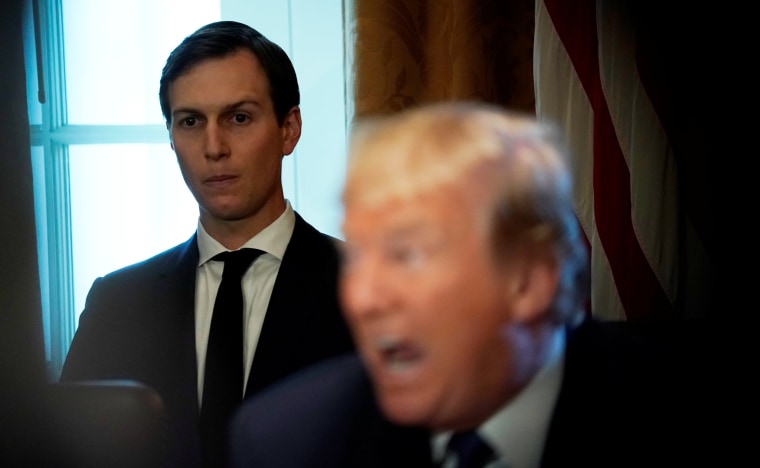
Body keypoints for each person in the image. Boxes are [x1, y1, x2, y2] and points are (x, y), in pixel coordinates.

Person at [229, 101, 701, 467]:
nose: (362, 298)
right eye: (356, 257)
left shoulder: (666, 417)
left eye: (406, 255)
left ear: (529, 280)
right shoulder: (291, 442)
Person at [59, 20, 354, 468]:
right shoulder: (117, 303)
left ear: (288, 129)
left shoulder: (372, 287)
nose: (214, 147)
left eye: (239, 117)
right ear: (172, 138)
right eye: (191, 121)